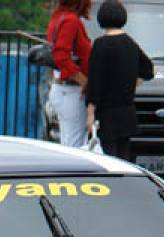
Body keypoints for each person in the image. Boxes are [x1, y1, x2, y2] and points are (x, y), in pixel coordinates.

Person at [84, 0, 154, 162]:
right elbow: (148, 70)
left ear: (101, 18)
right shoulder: (130, 43)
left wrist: (90, 114)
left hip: (107, 114)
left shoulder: (100, 45)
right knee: (124, 159)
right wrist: (133, 81)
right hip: (127, 113)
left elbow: (95, 82)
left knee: (108, 159)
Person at [47, 0, 93, 149]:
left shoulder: (59, 17)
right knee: (75, 146)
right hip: (72, 92)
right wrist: (85, 81)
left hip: (62, 89)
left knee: (68, 143)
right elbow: (61, 56)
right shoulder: (71, 21)